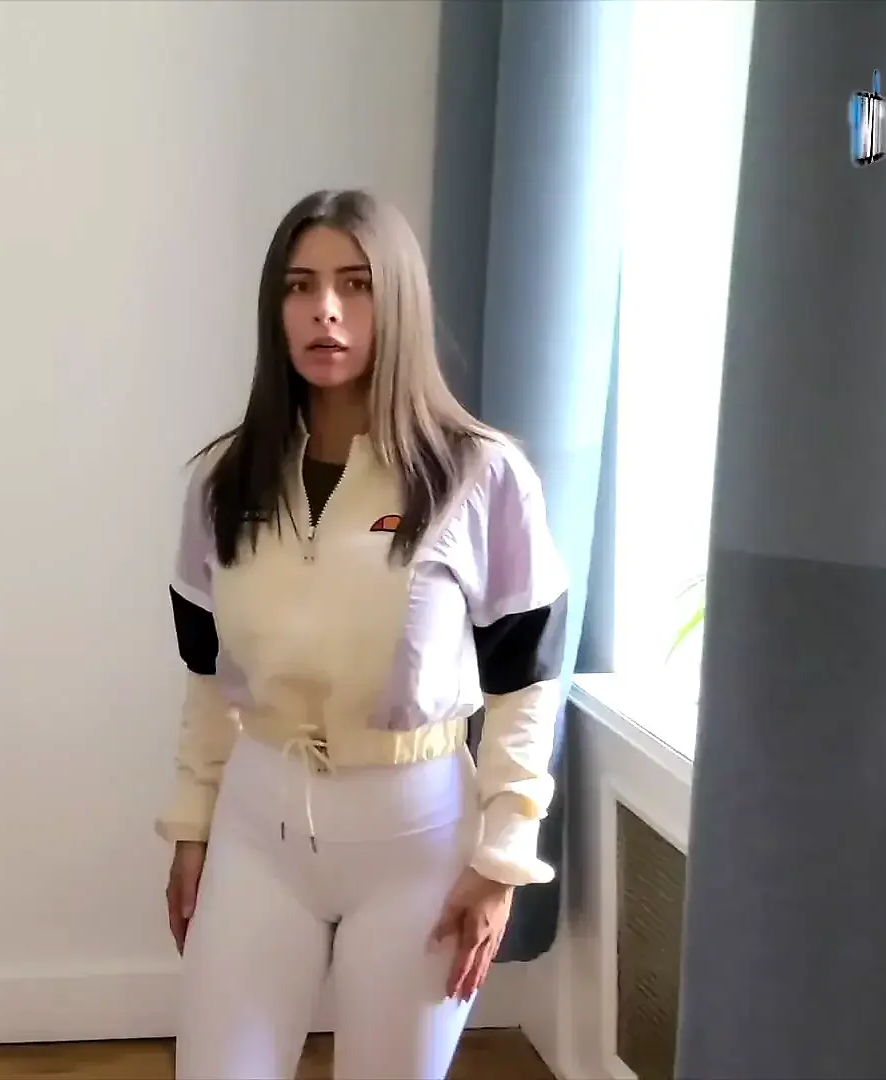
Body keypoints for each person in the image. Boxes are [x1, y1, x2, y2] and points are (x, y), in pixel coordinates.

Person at [156, 189, 568, 1079]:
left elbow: (525, 684)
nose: (326, 310)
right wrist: (192, 825)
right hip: (258, 833)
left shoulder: (480, 476)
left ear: (398, 301)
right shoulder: (223, 482)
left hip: (418, 841)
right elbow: (206, 674)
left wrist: (502, 859)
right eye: (299, 286)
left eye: (356, 284)